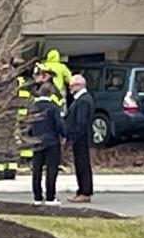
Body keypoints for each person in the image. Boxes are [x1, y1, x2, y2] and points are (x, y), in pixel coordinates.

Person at [27, 83, 66, 206]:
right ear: (51, 93)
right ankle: (50, 197)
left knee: (36, 170)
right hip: (52, 141)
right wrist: (63, 135)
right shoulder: (54, 107)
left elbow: (29, 124)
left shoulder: (33, 107)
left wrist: (30, 135)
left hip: (37, 141)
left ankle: (37, 197)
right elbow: (59, 124)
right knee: (51, 170)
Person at [64, 74, 95, 203]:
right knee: (79, 164)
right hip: (79, 137)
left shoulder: (83, 100)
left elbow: (81, 122)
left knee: (82, 164)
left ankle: (85, 191)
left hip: (81, 138)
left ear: (79, 85)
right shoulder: (80, 99)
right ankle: (81, 190)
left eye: (72, 86)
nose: (70, 88)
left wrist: (73, 135)